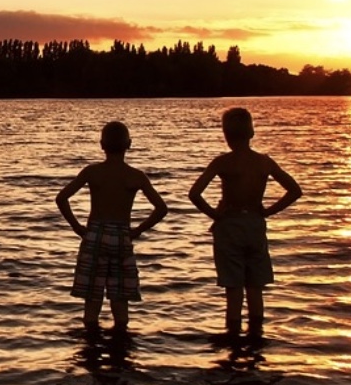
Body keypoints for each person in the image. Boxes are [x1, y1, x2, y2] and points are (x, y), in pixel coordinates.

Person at [187, 106, 302, 343]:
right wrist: (268, 211)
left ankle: (233, 338)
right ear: (252, 132)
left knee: (233, 289)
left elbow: (195, 193)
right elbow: (294, 191)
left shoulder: (222, 162)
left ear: (226, 135)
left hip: (229, 225)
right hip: (254, 224)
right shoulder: (264, 162)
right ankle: (256, 338)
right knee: (255, 287)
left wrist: (215, 215)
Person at [57, 121, 169, 331]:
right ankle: (120, 346)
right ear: (129, 144)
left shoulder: (92, 172)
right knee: (120, 298)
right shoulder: (136, 176)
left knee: (92, 299)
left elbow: (62, 198)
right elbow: (161, 209)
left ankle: (91, 345)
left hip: (95, 234)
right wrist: (137, 231)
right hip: (121, 235)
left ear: (102, 145)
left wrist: (77, 227)